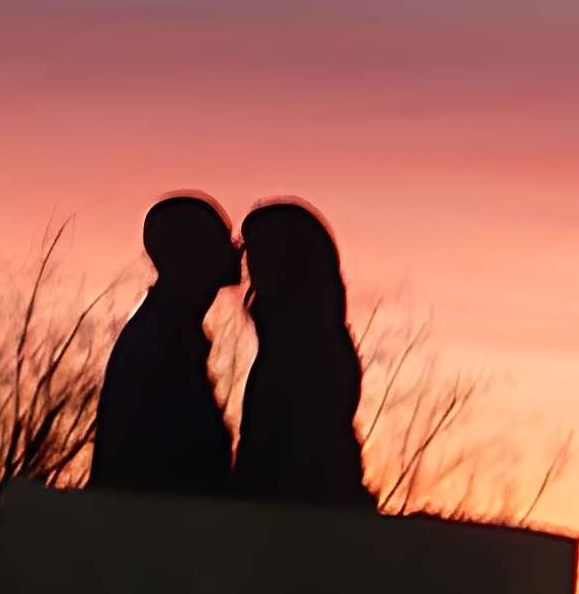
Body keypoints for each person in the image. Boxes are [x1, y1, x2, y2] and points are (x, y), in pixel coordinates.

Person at [89, 194, 240, 495]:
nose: (236, 247)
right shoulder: (161, 338)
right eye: (220, 239)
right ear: (186, 253)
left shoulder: (168, 329)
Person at [233, 199, 374, 509]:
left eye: (260, 250)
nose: (248, 262)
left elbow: (304, 447)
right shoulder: (288, 336)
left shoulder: (308, 343)